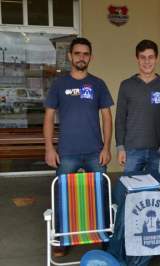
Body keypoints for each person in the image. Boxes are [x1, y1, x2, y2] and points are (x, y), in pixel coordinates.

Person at [43, 37, 114, 256]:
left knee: (101, 193)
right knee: (62, 196)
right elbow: (48, 117)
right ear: (70, 56)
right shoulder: (59, 84)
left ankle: (104, 236)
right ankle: (63, 239)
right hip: (67, 153)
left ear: (90, 57)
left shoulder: (98, 84)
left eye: (85, 54)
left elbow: (107, 118)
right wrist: (49, 148)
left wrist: (106, 148)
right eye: (77, 53)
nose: (81, 57)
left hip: (95, 151)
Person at [115, 39, 160, 175]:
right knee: (131, 191)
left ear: (156, 58)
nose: (147, 61)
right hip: (132, 151)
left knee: (157, 193)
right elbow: (120, 119)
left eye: (150, 57)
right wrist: (120, 148)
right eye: (143, 57)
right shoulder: (126, 85)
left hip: (158, 150)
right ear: (137, 59)